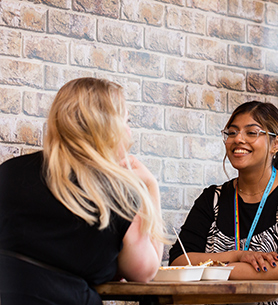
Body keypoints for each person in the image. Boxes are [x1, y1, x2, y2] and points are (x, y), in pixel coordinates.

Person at [0, 78, 166, 305]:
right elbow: (145, 272)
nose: (129, 131)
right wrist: (150, 187)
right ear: (109, 128)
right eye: (126, 121)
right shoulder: (117, 190)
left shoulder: (9, 171)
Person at [169, 101, 278, 305]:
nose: (238, 139)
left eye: (251, 133)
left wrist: (211, 269)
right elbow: (178, 261)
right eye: (232, 132)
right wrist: (237, 256)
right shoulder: (212, 199)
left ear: (276, 143)